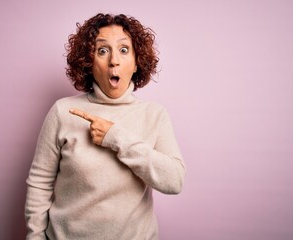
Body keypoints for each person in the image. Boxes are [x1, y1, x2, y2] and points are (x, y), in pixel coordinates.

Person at [25, 13, 185, 240]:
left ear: (137, 60)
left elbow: (174, 180)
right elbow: (40, 183)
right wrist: (35, 237)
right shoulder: (62, 112)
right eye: (102, 50)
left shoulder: (154, 115)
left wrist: (116, 137)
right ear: (88, 62)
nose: (114, 61)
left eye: (123, 50)